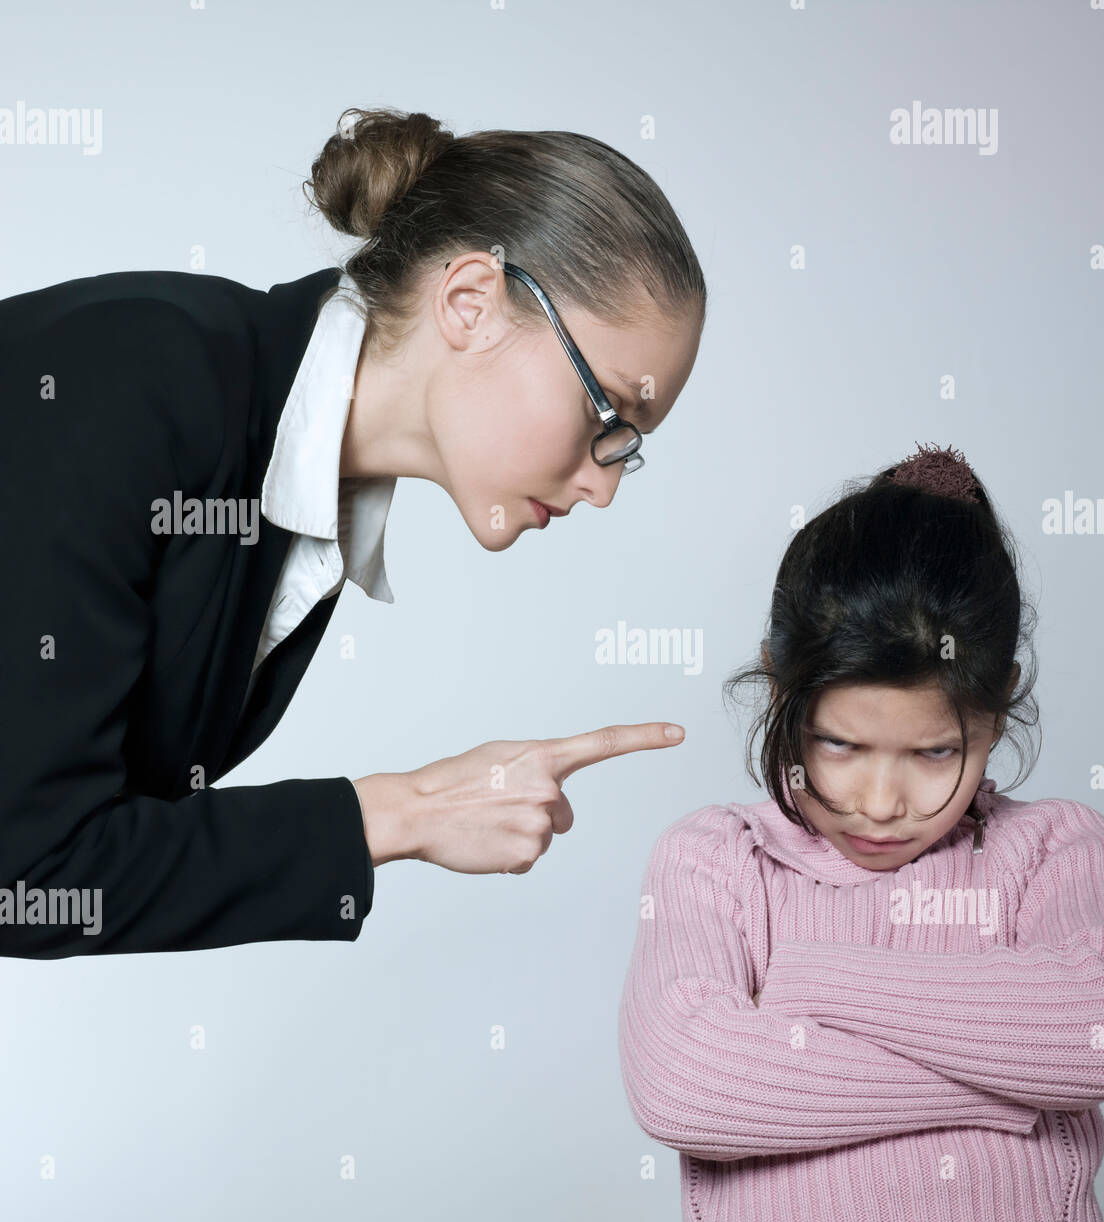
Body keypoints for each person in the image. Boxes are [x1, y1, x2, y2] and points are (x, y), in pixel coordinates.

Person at [0, 107, 704, 958]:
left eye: (629, 446)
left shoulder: (302, 504)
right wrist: (405, 810)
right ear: (471, 302)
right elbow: (27, 875)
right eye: (608, 411)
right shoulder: (133, 377)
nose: (602, 484)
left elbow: (79, 857)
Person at [618, 443, 1104, 1222]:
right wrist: (1001, 1087)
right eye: (838, 744)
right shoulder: (716, 860)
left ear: (996, 713)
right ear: (779, 689)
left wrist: (811, 980)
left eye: (933, 752)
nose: (879, 802)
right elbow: (689, 1087)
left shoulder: (1055, 849)